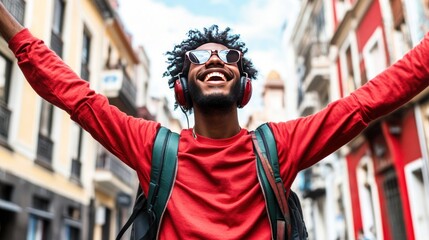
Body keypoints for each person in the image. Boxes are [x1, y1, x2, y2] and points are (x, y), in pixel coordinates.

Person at [0, 2, 428, 240]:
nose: (216, 62)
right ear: (182, 86)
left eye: (229, 57)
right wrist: (7, 24)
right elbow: (75, 97)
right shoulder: (154, 149)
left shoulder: (280, 145)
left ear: (244, 84)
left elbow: (368, 101)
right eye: (200, 58)